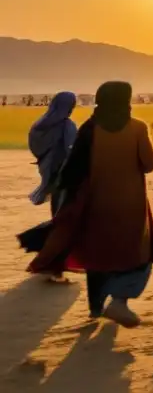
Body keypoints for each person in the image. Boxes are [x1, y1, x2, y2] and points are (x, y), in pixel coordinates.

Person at [27, 82, 153, 327]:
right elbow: (149, 164)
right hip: (130, 203)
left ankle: (96, 307)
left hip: (95, 202)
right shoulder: (137, 128)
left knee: (97, 254)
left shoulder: (89, 129)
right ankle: (120, 301)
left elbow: (73, 169)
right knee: (136, 252)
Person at [27, 91, 78, 283]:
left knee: (59, 217)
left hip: (49, 174)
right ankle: (53, 266)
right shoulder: (67, 126)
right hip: (66, 178)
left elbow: (35, 147)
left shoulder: (39, 125)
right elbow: (73, 151)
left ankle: (54, 263)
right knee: (64, 222)